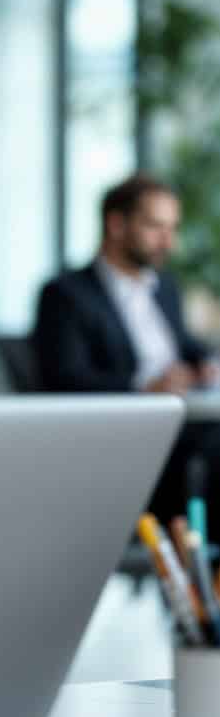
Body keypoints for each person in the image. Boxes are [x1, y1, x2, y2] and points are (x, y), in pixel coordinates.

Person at [33, 174, 220, 518]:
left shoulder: (165, 287)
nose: (169, 242)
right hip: (128, 440)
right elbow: (64, 378)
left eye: (172, 228)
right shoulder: (65, 294)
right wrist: (145, 386)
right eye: (155, 227)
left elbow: (184, 343)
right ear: (116, 225)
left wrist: (206, 362)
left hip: (189, 422)